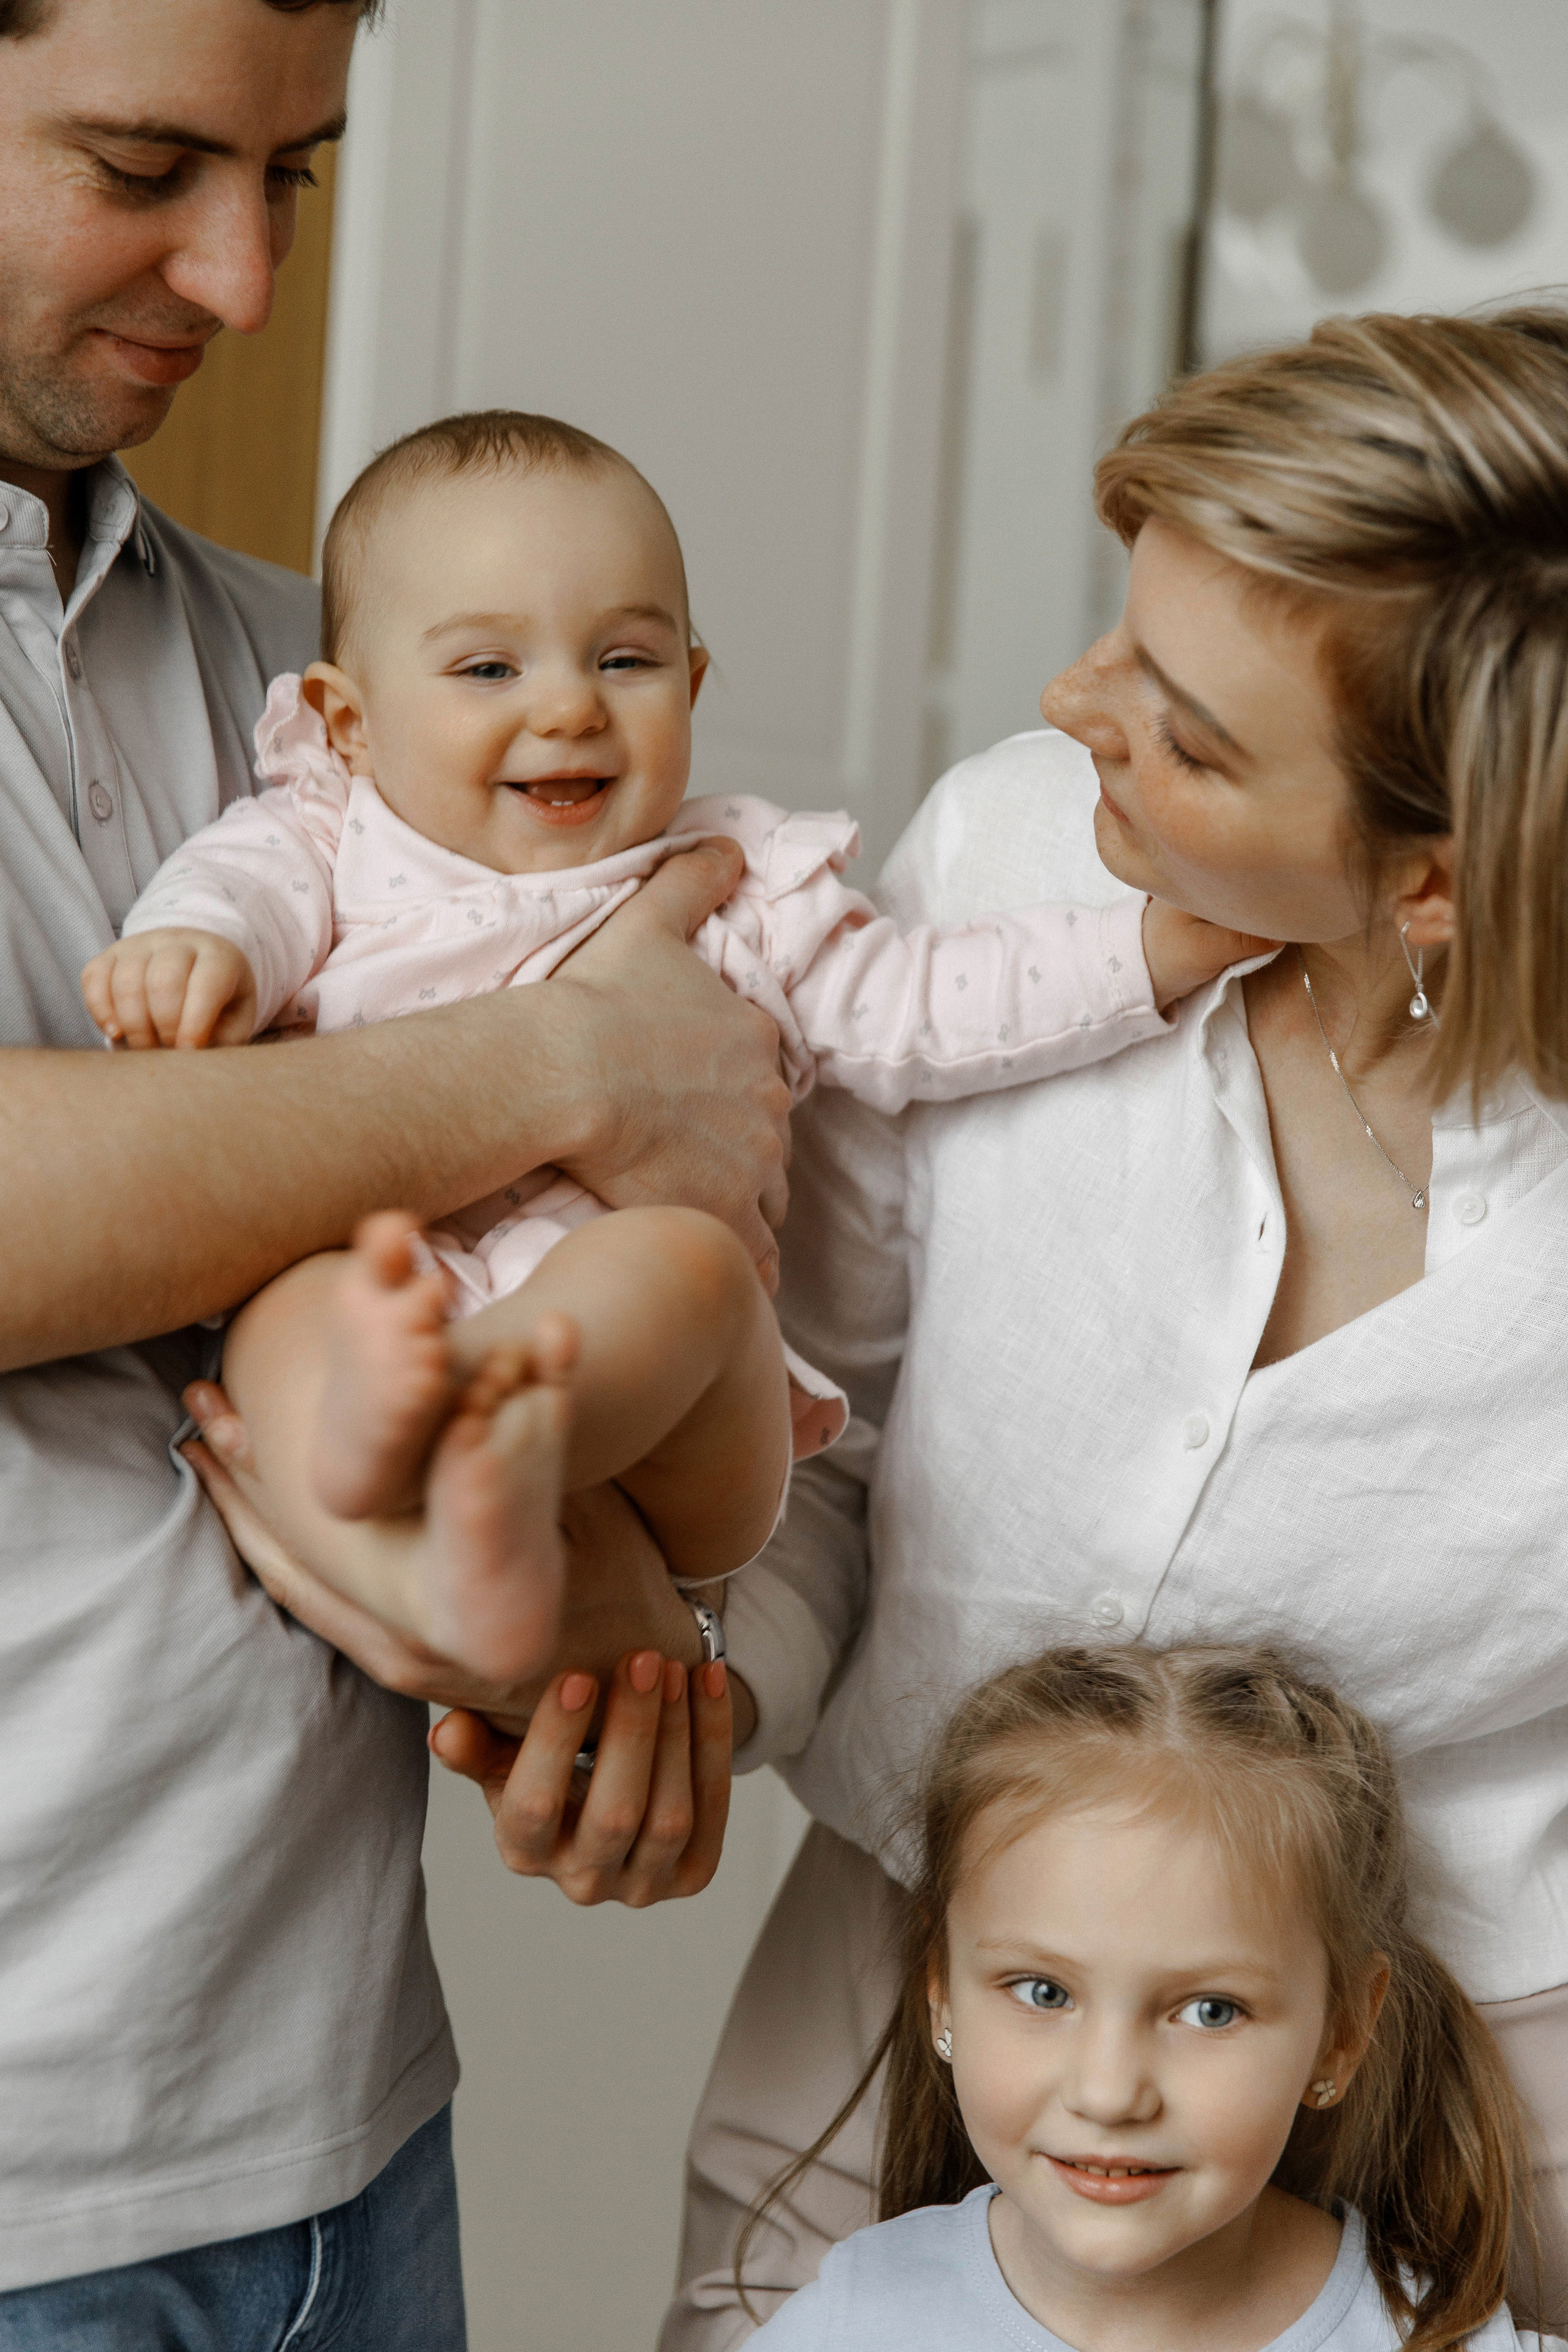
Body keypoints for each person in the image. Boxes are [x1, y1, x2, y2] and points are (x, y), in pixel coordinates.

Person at [657, 307, 1568, 2348]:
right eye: (1119, 636)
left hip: (1496, 2053)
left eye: (1192, 727)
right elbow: (829, 1450)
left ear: (1433, 881)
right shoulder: (994, 876)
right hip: (937, 1955)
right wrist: (710, 1690)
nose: (1076, 709)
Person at [0, 0, 791, 2338]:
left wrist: (619, 1625)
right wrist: (565, 1058)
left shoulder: (305, 675)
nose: (242, 282)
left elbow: (702, 1185)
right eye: (145, 167)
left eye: (297, 178)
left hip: (342, 2129)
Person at [84, 408, 1252, 1678]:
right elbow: (233, 899)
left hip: (663, 1436)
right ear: (349, 723)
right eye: (489, 671)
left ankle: (499, 1424)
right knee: (304, 1307)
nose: (568, 709)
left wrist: (1158, 953)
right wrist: (193, 952)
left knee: (683, 1272)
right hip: (394, 1287)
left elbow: (935, 1001)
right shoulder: (322, 839)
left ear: (691, 684)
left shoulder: (741, 889)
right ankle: (444, 1553)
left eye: (624, 661)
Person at [747, 1643, 1554, 2352]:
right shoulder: (853, 2328)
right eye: (1044, 1992)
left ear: (1343, 2030)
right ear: (941, 1998)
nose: (1108, 2092)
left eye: (1211, 2010)